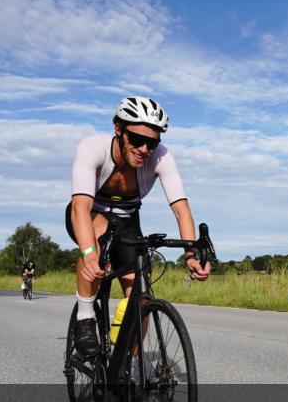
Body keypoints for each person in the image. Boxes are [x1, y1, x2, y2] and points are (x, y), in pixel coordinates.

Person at [66, 96, 211, 355]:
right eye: (136, 139)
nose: (144, 149)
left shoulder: (161, 157)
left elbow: (181, 209)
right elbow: (80, 207)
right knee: (97, 234)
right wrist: (89, 254)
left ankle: (129, 367)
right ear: (118, 129)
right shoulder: (92, 148)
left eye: (152, 142)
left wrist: (191, 254)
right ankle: (85, 316)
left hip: (127, 221)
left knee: (141, 299)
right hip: (88, 215)